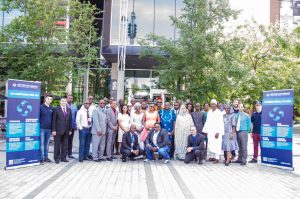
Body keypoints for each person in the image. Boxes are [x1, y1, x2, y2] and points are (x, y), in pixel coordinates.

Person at [202, 99, 224, 164]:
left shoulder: (219, 112)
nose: (212, 105)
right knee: (210, 144)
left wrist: (218, 132)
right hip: (210, 131)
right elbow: (207, 122)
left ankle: (217, 158)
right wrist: (205, 131)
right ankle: (211, 157)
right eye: (211, 104)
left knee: (217, 144)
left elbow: (221, 123)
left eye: (214, 104)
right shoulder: (209, 112)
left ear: (216, 104)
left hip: (217, 132)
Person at [52, 97, 72, 164]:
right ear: (60, 102)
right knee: (57, 145)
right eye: (62, 101)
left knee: (65, 145)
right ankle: (56, 158)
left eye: (65, 101)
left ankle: (63, 158)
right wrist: (53, 130)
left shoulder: (69, 110)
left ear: (66, 102)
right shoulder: (56, 109)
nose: (64, 102)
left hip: (66, 130)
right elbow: (53, 120)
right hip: (58, 130)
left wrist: (70, 130)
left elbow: (70, 121)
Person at [39, 93, 53, 163]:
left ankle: (46, 157)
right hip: (42, 129)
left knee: (46, 145)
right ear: (45, 99)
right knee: (41, 145)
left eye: (50, 99)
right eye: (48, 99)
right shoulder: (40, 107)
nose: (49, 100)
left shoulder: (51, 108)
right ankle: (41, 158)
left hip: (49, 129)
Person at [66, 94, 77, 159]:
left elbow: (76, 116)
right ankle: (64, 153)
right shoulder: (64, 105)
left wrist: (75, 125)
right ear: (67, 98)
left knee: (70, 141)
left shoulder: (74, 106)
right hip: (65, 126)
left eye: (71, 98)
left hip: (72, 126)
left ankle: (70, 153)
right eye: (69, 98)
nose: (70, 99)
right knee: (64, 140)